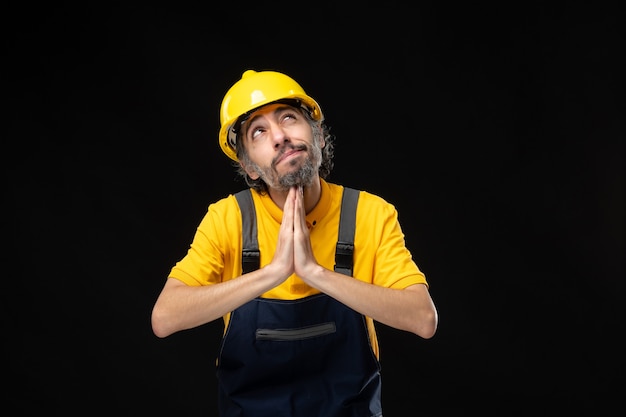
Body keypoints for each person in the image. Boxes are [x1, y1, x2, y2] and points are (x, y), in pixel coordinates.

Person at [151, 69, 439, 417]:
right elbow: (164, 318)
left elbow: (423, 319)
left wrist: (315, 273)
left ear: (318, 137)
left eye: (289, 118)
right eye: (259, 132)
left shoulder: (369, 213)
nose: (279, 137)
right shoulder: (229, 219)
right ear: (249, 166)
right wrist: (272, 273)